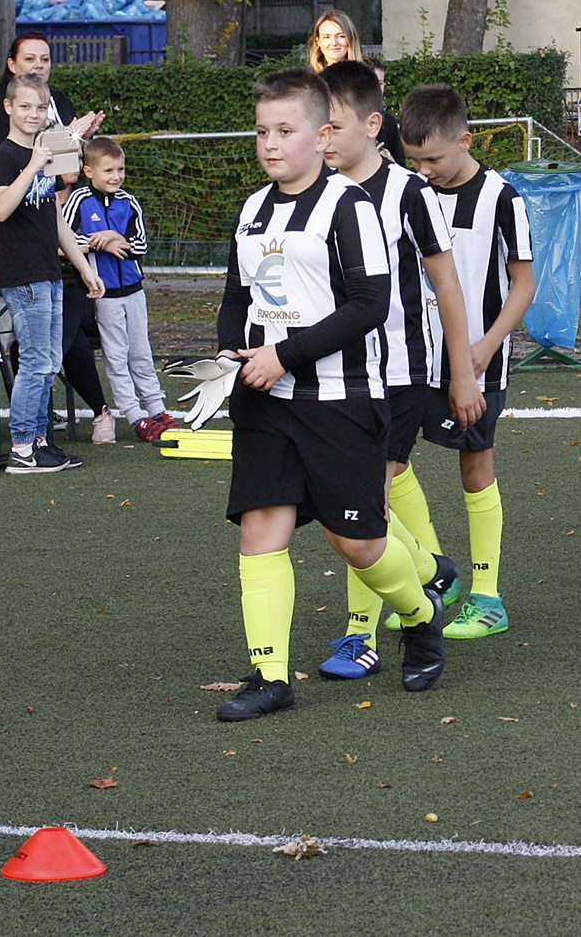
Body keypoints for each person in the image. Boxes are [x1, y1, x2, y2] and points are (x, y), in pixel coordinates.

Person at [213, 68, 444, 721]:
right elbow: (237, 299)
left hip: (341, 399)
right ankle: (269, 675)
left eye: (285, 130)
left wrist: (284, 354)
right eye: (262, 131)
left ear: (320, 136)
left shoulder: (350, 206)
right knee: (261, 528)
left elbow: (370, 304)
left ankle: (420, 615)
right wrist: (230, 352)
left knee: (358, 544)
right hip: (265, 402)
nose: (270, 143)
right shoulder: (252, 210)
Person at [315, 61, 485, 679]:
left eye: (333, 126)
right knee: (354, 505)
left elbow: (447, 286)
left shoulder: (410, 193)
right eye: (316, 127)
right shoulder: (315, 193)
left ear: (372, 125)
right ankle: (431, 570)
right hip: (337, 376)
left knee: (364, 504)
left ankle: (361, 635)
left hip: (400, 376)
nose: (322, 139)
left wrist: (461, 374)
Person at [396, 83, 536, 640]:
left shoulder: (502, 198)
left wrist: (487, 345)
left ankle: (487, 597)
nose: (424, 170)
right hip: (411, 360)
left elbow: (524, 284)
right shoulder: (410, 193)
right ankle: (435, 573)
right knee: (389, 462)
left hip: (477, 365)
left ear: (465, 141)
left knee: (475, 468)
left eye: (433, 158)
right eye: (415, 160)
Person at [0, 33, 107, 444]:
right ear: (8, 107)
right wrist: (35, 164)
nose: (33, 115)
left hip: (48, 268)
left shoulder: (42, 155)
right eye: (25, 107)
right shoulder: (8, 156)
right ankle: (24, 444)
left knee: (48, 361)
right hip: (22, 272)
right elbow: (1, 209)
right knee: (35, 362)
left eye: (40, 108)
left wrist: (84, 268)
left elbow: (55, 218)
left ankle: (39, 441)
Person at [61, 137, 180, 443]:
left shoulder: (129, 202)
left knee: (141, 352)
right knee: (116, 357)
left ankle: (157, 409)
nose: (116, 176)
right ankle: (135, 415)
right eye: (108, 170)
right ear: (88, 171)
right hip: (104, 296)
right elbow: (65, 239)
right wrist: (97, 243)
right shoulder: (78, 201)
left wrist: (115, 237)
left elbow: (140, 246)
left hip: (134, 292)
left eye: (120, 169)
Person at [306, 9, 405, 167]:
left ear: (350, 39)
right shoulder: (308, 83)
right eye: (326, 37)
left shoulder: (367, 77)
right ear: (318, 42)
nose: (334, 42)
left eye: (340, 36)